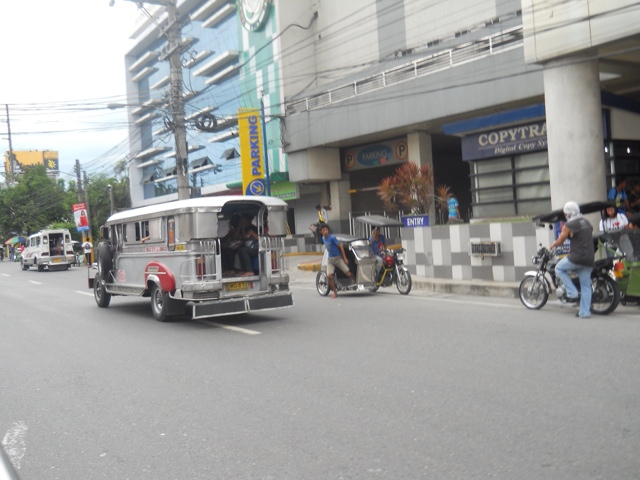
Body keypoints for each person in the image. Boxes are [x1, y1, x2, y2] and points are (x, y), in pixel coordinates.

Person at [549, 201, 594, 319]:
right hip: (589, 257)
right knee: (586, 286)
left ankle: (571, 292)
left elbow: (561, 240)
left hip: (577, 257)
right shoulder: (587, 222)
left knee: (559, 268)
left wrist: (553, 245)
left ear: (568, 213)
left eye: (565, 213)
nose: (564, 215)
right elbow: (584, 236)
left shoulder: (569, 225)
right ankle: (584, 313)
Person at [320, 223, 354, 298]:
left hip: (338, 258)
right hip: (330, 260)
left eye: (326, 230)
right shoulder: (323, 238)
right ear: (321, 232)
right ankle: (335, 293)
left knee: (348, 273)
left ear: (328, 230)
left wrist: (344, 258)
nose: (325, 231)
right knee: (329, 276)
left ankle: (355, 281)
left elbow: (340, 246)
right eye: (323, 230)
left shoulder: (332, 238)